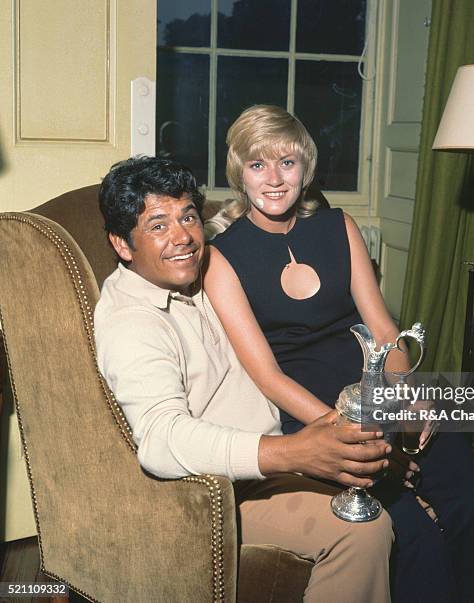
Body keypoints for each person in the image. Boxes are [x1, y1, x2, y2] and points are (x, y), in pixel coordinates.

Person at [205, 105, 474, 603]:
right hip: (313, 418)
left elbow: (384, 328)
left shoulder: (338, 226)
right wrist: (341, 432)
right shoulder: (221, 257)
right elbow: (267, 375)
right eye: (258, 165)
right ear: (239, 172)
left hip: (381, 396)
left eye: (287, 164)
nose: (274, 179)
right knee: (410, 536)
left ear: (307, 168)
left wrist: (406, 396)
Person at [93, 156, 396, 603]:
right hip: (217, 494)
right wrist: (296, 451)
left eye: (188, 217)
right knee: (364, 530)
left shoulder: (205, 272)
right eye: (157, 226)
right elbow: (160, 439)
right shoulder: (130, 320)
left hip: (278, 445)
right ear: (122, 244)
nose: (183, 238)